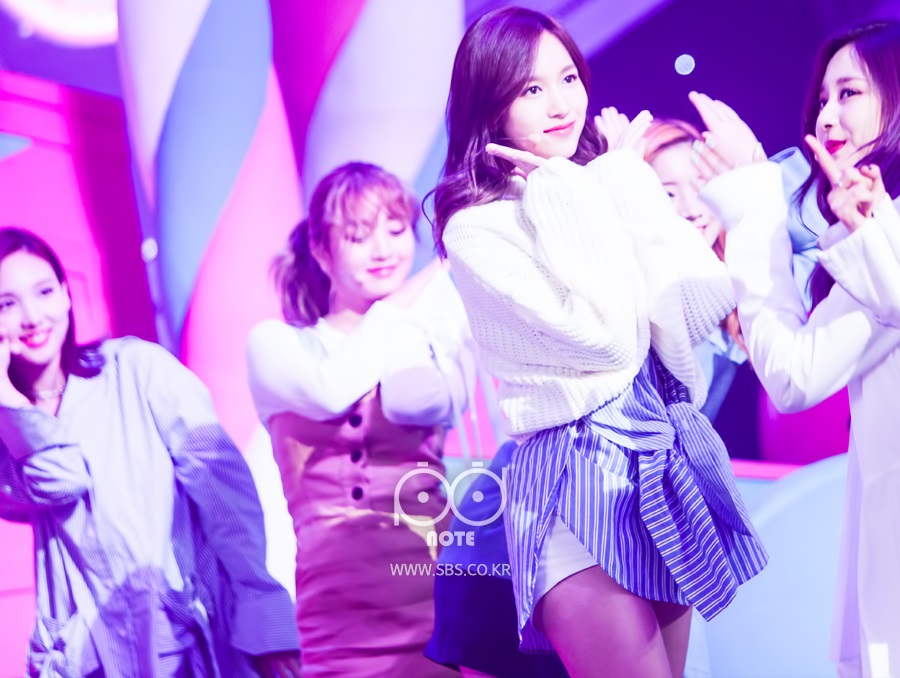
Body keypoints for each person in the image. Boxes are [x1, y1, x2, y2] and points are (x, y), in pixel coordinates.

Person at [431, 7, 768, 677]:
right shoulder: (477, 227)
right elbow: (608, 344)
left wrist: (624, 183)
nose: (561, 104)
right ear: (491, 103)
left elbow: (699, 305)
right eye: (531, 89)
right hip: (572, 475)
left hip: (657, 461)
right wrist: (572, 190)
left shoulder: (604, 182)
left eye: (568, 78)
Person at [691, 20, 900, 678]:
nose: (826, 115)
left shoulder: (880, 237)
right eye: (823, 98)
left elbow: (793, 376)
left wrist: (757, 208)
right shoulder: (864, 235)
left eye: (850, 93)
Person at [0, 227, 300, 677]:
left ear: (65, 294)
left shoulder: (136, 367)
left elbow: (223, 491)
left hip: (186, 636)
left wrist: (262, 610)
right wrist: (8, 401)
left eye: (44, 291)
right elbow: (61, 476)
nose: (31, 316)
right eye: (6, 304)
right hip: (95, 656)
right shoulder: (7, 431)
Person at [247, 162, 471, 677]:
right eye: (358, 235)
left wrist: (437, 302)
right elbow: (333, 388)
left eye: (396, 230)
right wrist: (420, 288)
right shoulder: (277, 345)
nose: (383, 250)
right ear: (322, 251)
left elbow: (428, 402)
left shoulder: (423, 335)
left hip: (436, 591)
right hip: (338, 617)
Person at [640, 118, 748, 423]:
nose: (692, 209)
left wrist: (754, 167)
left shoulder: (738, 277)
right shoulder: (638, 296)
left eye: (700, 185)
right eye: (668, 194)